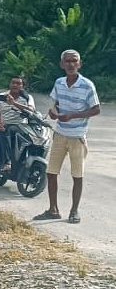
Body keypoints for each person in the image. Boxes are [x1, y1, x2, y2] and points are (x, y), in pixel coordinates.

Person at [33, 49, 100, 224]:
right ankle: (53, 209)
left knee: (77, 175)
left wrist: (73, 116)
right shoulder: (59, 83)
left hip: (77, 136)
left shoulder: (87, 85)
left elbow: (96, 109)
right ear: (62, 64)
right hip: (60, 134)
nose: (71, 64)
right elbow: (54, 105)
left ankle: (74, 210)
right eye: (67, 61)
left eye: (74, 61)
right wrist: (54, 113)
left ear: (80, 64)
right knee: (51, 172)